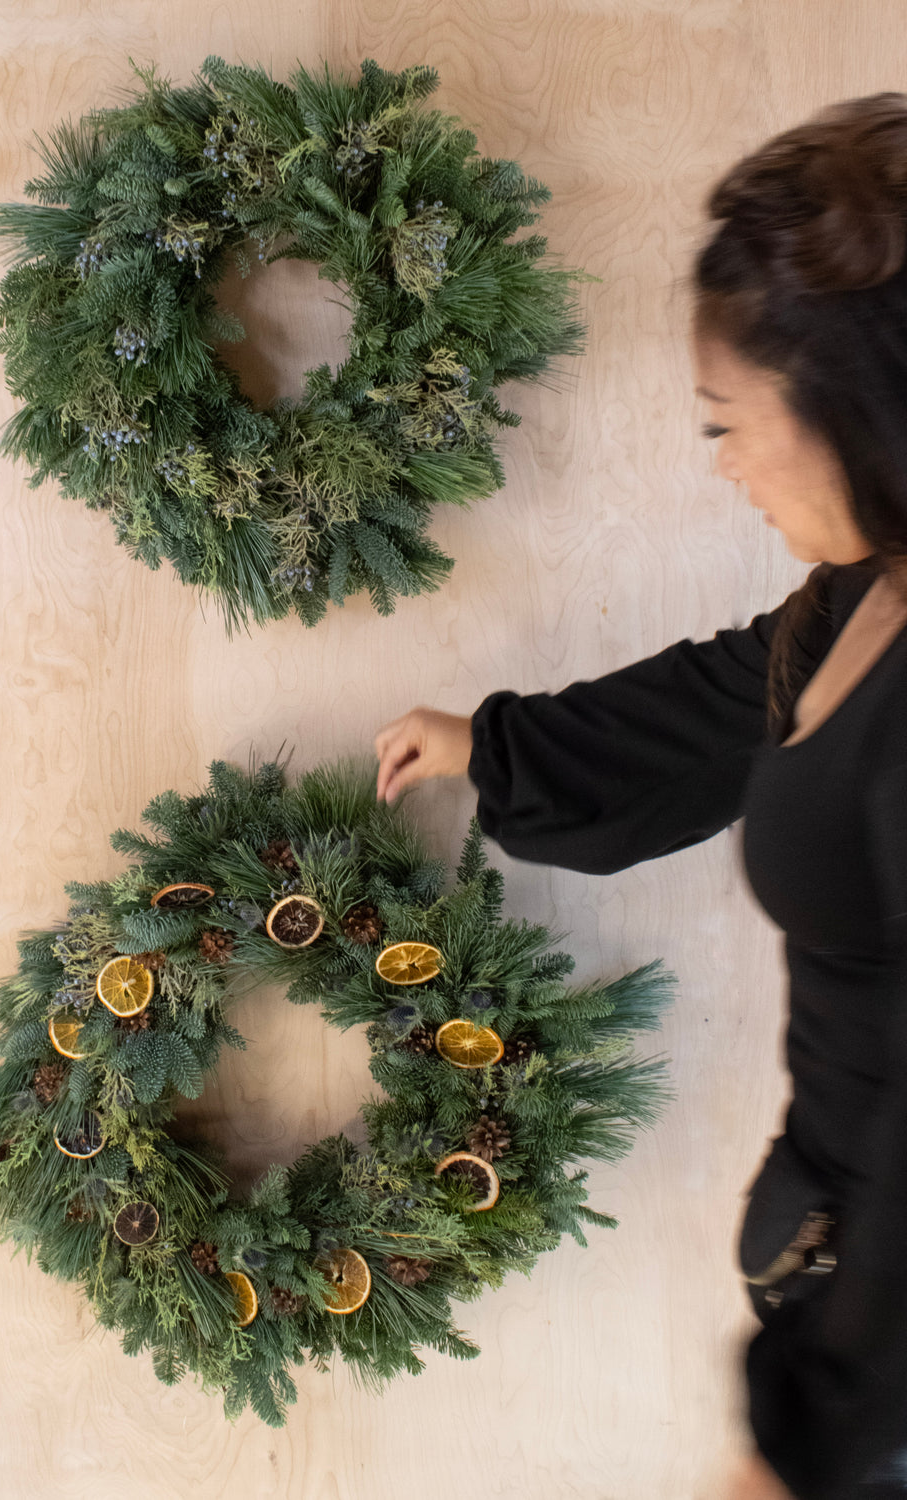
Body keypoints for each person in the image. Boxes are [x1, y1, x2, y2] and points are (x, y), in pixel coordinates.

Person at [373, 94, 907, 1500]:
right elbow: (747, 692)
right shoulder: (867, 596)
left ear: (862, 410)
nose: (723, 467)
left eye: (731, 424)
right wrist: (497, 747)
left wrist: (814, 1447)